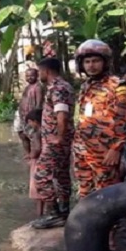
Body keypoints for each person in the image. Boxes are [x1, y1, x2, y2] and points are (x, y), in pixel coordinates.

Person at [72, 40, 126, 198]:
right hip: (82, 149)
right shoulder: (86, 86)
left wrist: (116, 149)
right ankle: (86, 222)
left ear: (105, 62)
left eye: (96, 61)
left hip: (104, 150)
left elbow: (125, 119)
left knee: (107, 192)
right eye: (87, 62)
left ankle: (112, 223)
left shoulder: (118, 85)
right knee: (84, 191)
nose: (91, 65)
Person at [32, 58, 75, 229]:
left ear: (46, 71)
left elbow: (62, 115)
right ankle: (64, 211)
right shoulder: (62, 86)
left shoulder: (58, 88)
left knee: (41, 177)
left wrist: (58, 137)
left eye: (39, 71)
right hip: (59, 142)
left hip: (55, 142)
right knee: (61, 176)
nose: (39, 74)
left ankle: (54, 213)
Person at [14, 69, 45, 155]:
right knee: (22, 134)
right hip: (22, 115)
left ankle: (36, 155)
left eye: (32, 75)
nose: (29, 78)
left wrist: (35, 117)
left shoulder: (38, 87)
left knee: (34, 136)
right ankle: (27, 154)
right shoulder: (27, 87)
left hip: (30, 115)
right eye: (27, 76)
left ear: (37, 76)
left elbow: (39, 103)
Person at [24, 108, 44, 217]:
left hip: (37, 163)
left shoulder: (37, 134)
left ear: (35, 121)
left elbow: (37, 149)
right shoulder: (46, 132)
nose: (30, 126)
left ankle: (39, 215)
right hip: (46, 161)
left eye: (30, 123)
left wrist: (29, 156)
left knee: (37, 191)